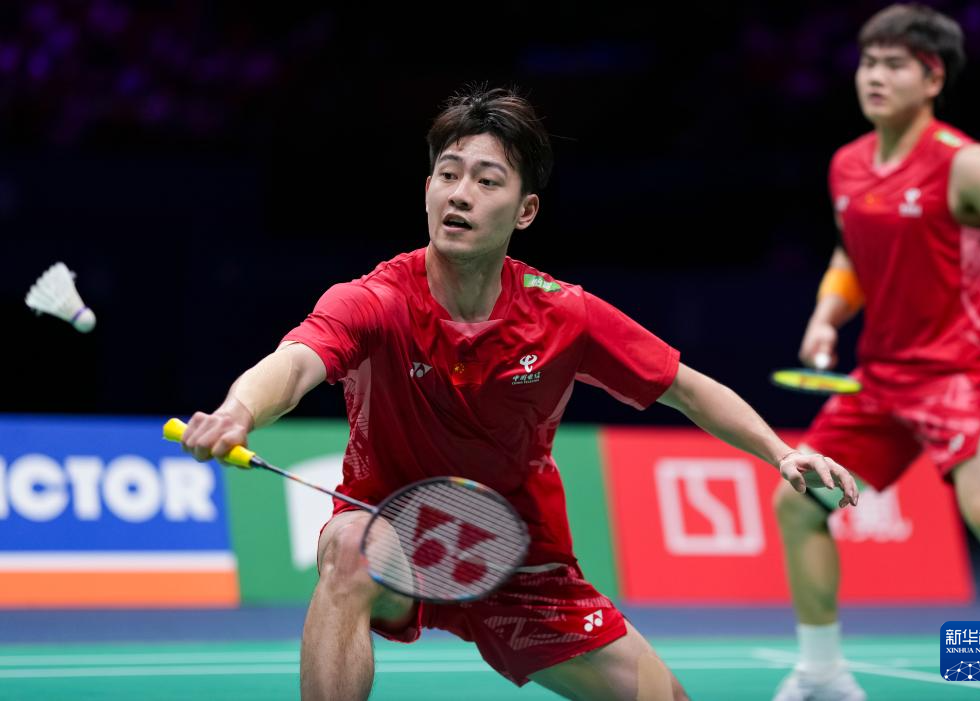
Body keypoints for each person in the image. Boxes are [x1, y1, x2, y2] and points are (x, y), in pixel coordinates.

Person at [178, 85, 858, 701]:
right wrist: (241, 410)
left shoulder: (563, 313)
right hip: (393, 536)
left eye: (486, 180)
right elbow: (296, 362)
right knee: (349, 548)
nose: (460, 194)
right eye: (448, 175)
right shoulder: (376, 300)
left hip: (521, 558)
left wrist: (780, 451)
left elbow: (686, 388)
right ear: (426, 189)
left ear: (525, 210)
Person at [772, 4, 980, 700]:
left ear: (933, 77)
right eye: (868, 63)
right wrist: (827, 315)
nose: (874, 78)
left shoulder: (966, 164)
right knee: (798, 502)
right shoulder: (848, 165)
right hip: (880, 381)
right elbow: (853, 251)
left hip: (964, 378)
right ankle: (822, 673)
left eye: (894, 66)